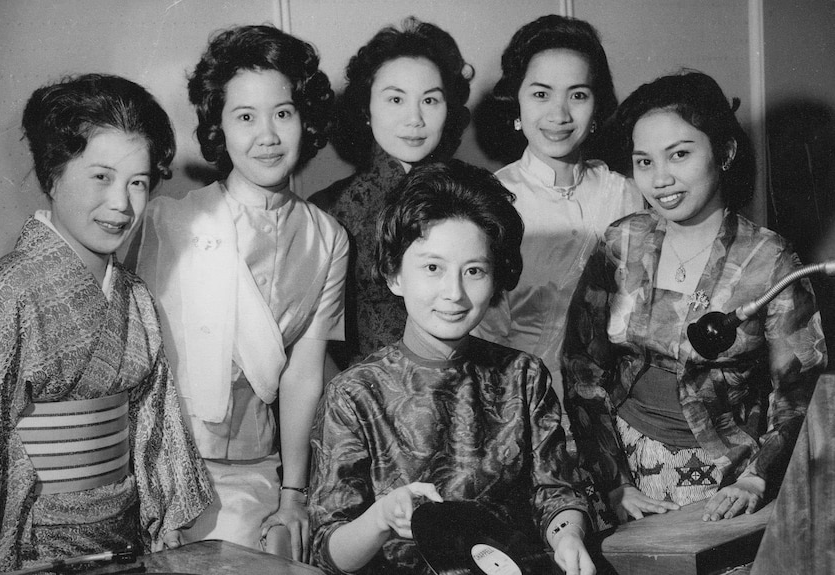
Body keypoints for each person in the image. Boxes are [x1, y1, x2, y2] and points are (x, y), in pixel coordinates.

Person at [562, 70, 827, 526]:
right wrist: (613, 482)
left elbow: (799, 394)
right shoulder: (621, 242)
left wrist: (757, 476)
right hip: (622, 464)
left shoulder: (771, 260)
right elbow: (582, 368)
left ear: (724, 153)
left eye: (679, 155)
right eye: (644, 162)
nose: (660, 179)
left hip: (732, 476)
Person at [0, 73, 211, 575]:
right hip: (32, 547)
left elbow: (154, 429)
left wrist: (160, 522)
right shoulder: (6, 292)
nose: (122, 204)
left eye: (138, 182)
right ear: (53, 173)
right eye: (101, 177)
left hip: (126, 539)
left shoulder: (136, 296)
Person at [309, 161, 596, 575]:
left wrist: (567, 536)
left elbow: (556, 494)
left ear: (497, 278)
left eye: (474, 271)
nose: (454, 293)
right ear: (394, 275)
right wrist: (381, 518)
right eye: (432, 268)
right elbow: (327, 552)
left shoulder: (524, 377)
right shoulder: (355, 393)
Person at [133, 25, 344, 562]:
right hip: (162, 466)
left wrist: (294, 495)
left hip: (260, 469)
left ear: (305, 118)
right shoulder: (172, 220)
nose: (267, 135)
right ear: (219, 128)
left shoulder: (328, 238)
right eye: (244, 116)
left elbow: (303, 374)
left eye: (283, 112)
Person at [472, 15, 641, 438]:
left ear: (597, 105)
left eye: (578, 95)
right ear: (517, 101)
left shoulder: (628, 195)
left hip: (619, 413)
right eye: (541, 93)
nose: (559, 114)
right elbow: (480, 341)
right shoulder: (487, 201)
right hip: (518, 412)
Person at [310, 17, 473, 371]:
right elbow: (314, 351)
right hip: (365, 401)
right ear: (366, 110)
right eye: (396, 99)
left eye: (430, 100)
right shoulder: (328, 210)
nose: (414, 118)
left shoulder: (473, 200)